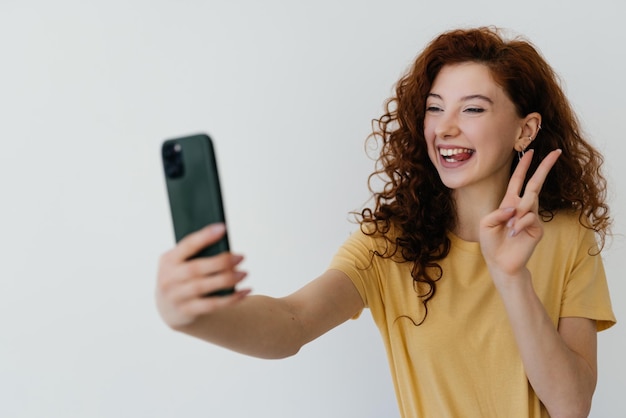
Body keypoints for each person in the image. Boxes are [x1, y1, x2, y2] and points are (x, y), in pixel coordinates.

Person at [156, 26, 616, 418]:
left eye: (472, 108)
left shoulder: (568, 239)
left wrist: (512, 278)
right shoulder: (389, 244)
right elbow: (291, 322)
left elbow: (571, 405)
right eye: (435, 107)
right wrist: (195, 316)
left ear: (525, 130)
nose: (445, 127)